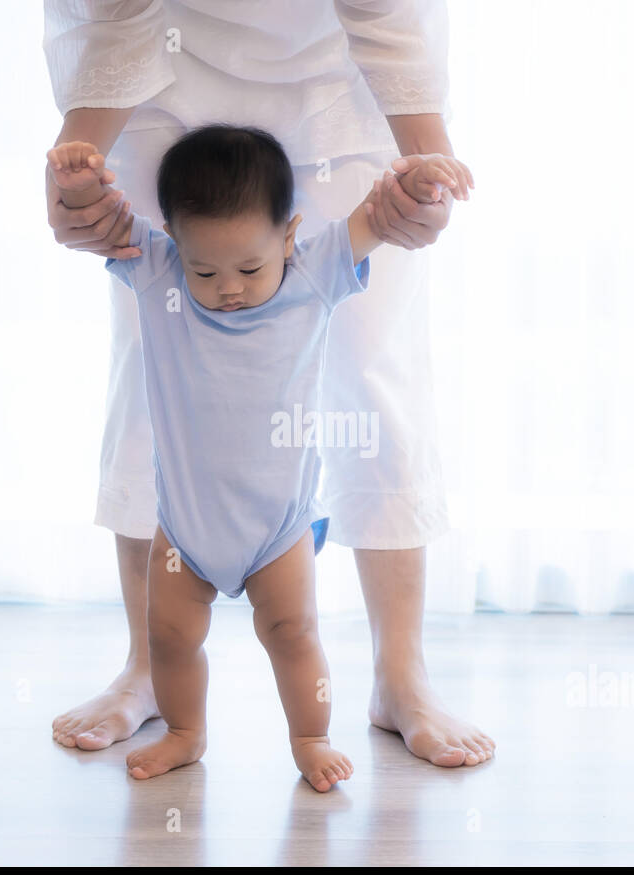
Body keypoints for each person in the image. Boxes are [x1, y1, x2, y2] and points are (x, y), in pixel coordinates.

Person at [44, 0, 496, 767]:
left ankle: (399, 675)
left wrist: (425, 167)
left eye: (254, 267)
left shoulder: (315, 256)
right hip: (158, 61)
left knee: (374, 361)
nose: (231, 286)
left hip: (338, 67)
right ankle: (149, 669)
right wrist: (76, 161)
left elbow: (382, 27)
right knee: (149, 357)